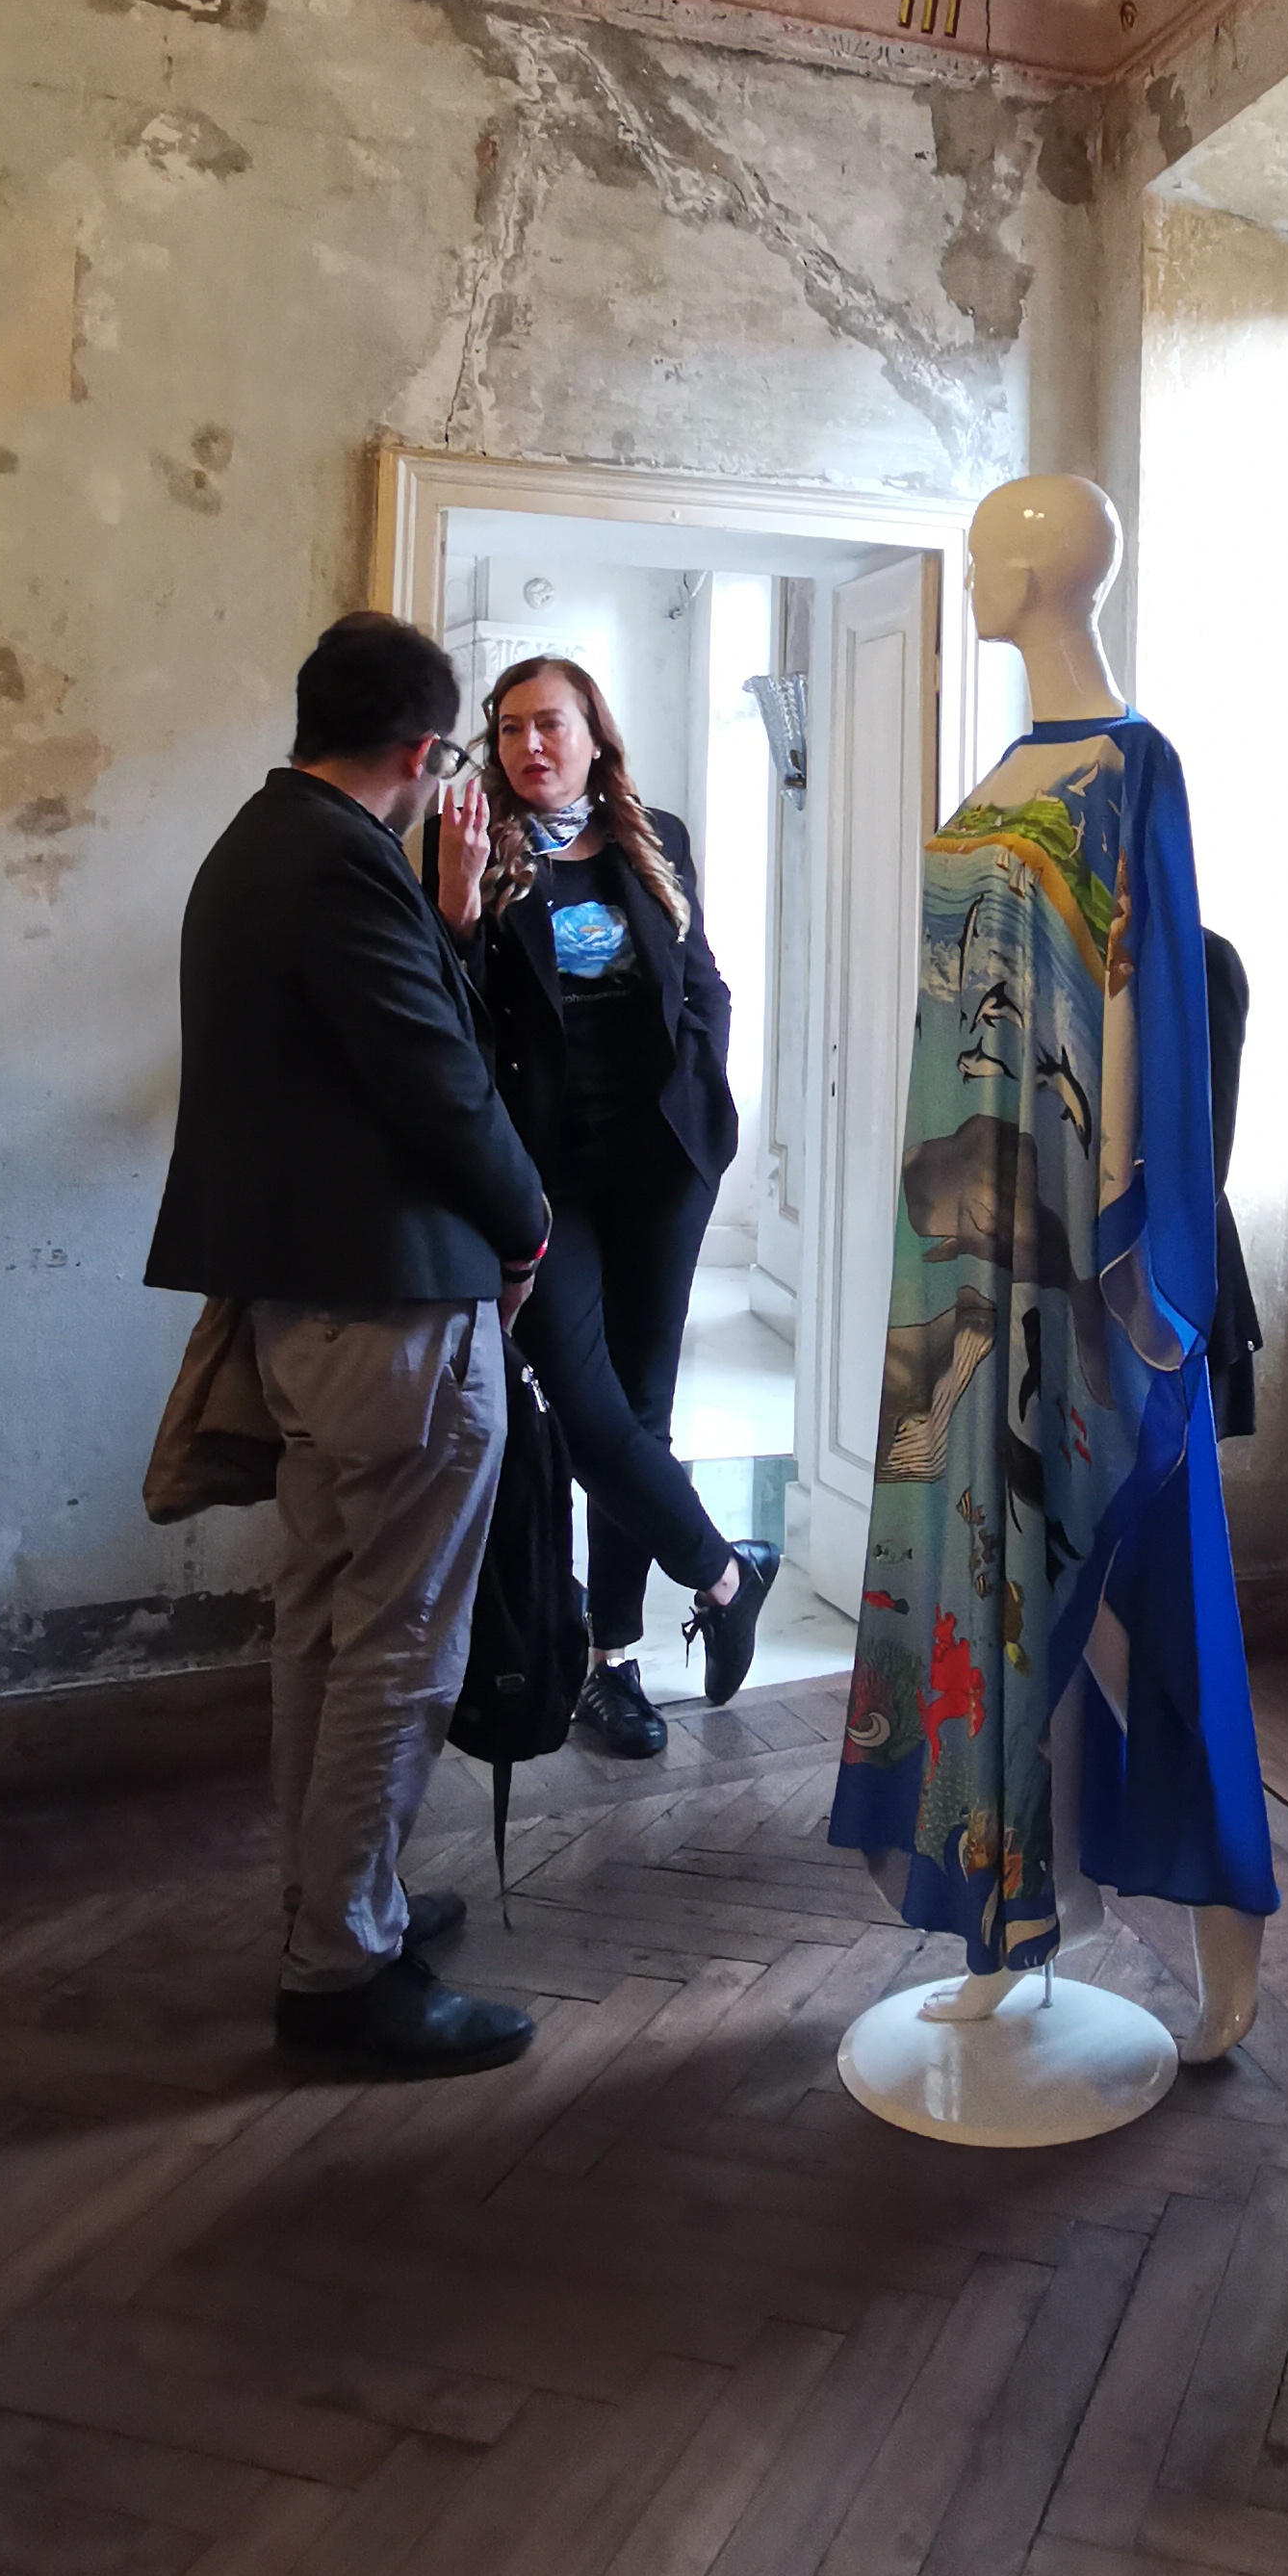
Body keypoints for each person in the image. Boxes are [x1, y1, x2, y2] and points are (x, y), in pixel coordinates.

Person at [146, 609, 549, 2078]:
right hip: (391, 1311)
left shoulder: (262, 845)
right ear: (425, 752)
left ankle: (336, 1904)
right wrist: (528, 1228)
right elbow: (438, 1083)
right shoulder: (336, 864)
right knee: (398, 1642)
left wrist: (448, 914)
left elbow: (364, 1048)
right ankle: (341, 1972)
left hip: (308, 1309)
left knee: (324, 1622)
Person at [434, 651, 777, 1758]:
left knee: (643, 1406)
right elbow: (444, 1012)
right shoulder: (469, 845)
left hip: (662, 1164)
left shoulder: (652, 835)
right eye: (510, 727)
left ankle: (613, 1662)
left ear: (594, 736)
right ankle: (725, 1573)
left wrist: (706, 1096)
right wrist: (456, 903)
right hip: (542, 1175)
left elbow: (703, 978)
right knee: (586, 1411)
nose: (529, 744)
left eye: (550, 723)